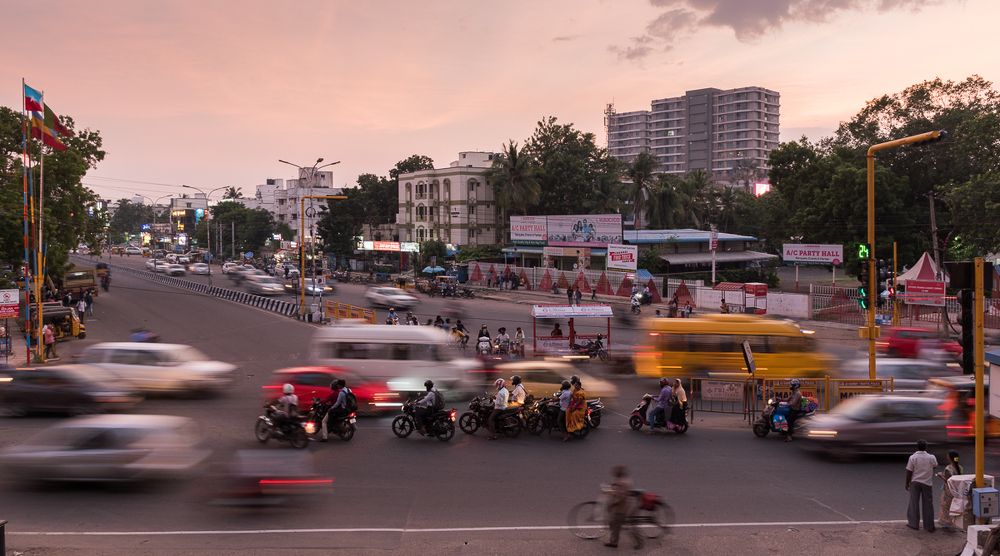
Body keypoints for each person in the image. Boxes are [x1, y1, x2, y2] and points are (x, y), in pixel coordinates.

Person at [906, 439, 938, 532]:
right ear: (926, 447)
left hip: (915, 482)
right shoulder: (931, 457)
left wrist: (907, 483)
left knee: (914, 503)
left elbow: (909, 471)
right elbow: (935, 465)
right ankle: (929, 526)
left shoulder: (912, 458)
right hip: (927, 483)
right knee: (928, 504)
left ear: (917, 447)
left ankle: (913, 524)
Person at [605, 465, 640, 549]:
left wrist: (612, 504)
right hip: (627, 506)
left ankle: (639, 542)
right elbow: (620, 490)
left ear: (618, 473)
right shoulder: (625, 480)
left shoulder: (622, 483)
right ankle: (614, 542)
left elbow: (621, 497)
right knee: (614, 523)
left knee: (617, 525)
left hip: (622, 508)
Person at [936, 450, 962, 530]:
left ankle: (946, 523)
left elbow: (947, 480)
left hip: (948, 489)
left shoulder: (948, 468)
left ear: (950, 458)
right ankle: (953, 522)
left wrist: (940, 475)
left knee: (946, 506)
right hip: (956, 488)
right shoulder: (960, 467)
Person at [565, 376, 587, 440]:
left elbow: (579, 401)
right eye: (575, 385)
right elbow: (572, 396)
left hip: (580, 407)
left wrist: (574, 406)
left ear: (579, 386)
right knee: (567, 411)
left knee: (574, 414)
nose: (575, 386)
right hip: (575, 404)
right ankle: (568, 426)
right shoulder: (575, 390)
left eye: (577, 385)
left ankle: (574, 428)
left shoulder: (581, 392)